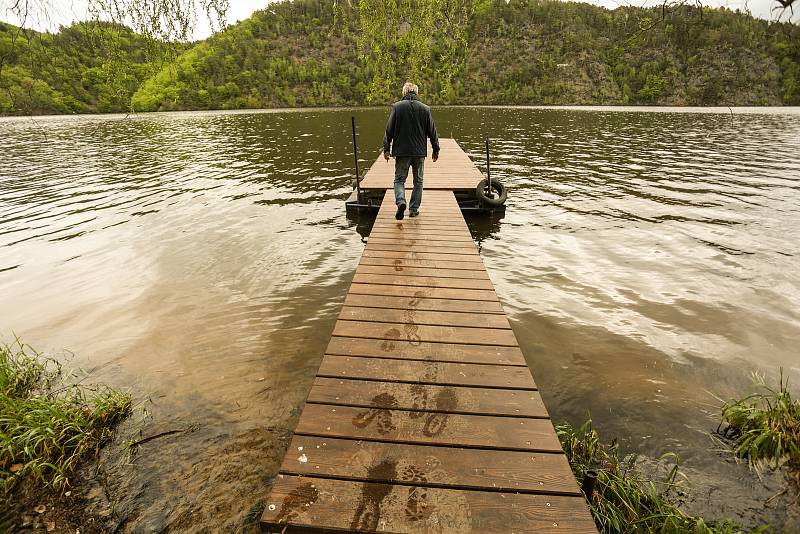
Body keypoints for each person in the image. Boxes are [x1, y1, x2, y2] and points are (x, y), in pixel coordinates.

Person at [383, 82, 440, 220]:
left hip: (401, 152)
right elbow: (432, 131)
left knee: (399, 180)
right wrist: (435, 148)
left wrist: (386, 148)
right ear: (416, 93)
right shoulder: (425, 109)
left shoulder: (397, 107)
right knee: (418, 182)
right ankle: (413, 209)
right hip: (419, 153)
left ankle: (401, 201)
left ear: (404, 92)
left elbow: (388, 130)